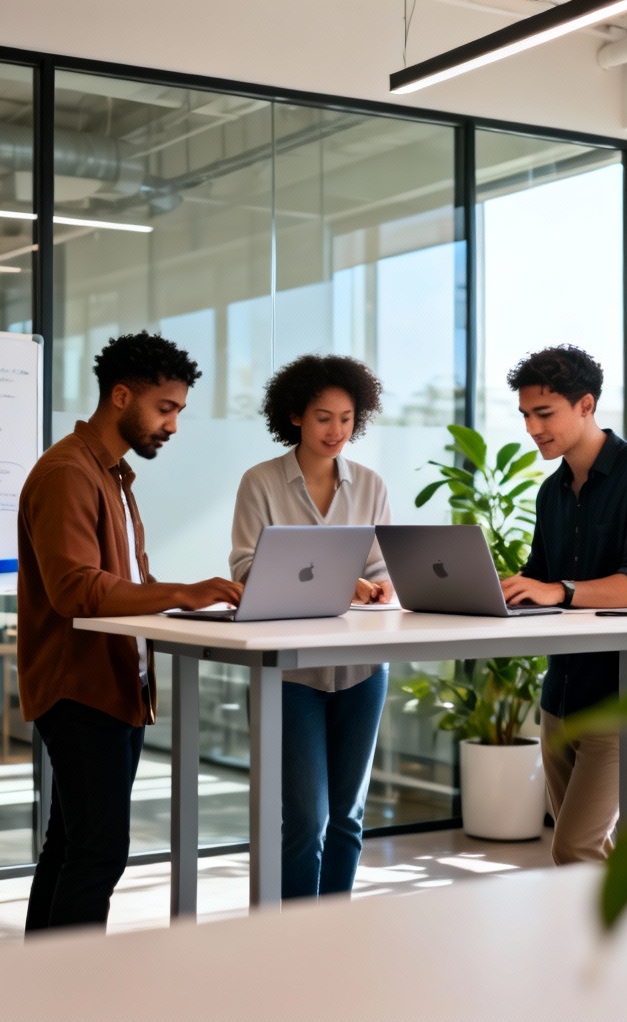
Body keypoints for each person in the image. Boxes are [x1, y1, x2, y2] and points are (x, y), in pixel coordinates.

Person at [18, 330, 243, 932]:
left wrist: (193, 602)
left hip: (117, 684)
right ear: (121, 396)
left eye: (178, 411)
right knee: (98, 853)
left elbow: (127, 580)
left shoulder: (112, 475)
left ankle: (41, 985)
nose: (172, 425)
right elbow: (76, 589)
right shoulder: (68, 472)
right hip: (80, 687)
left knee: (70, 847)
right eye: (165, 408)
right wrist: (181, 592)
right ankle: (74, 993)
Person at [499, 344, 627, 865]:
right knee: (586, 853)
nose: (533, 429)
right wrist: (499, 587)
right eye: (525, 416)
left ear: (586, 405)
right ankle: (612, 944)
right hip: (562, 693)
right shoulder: (551, 492)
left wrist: (560, 590)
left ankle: (626, 945)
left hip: (624, 694)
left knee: (575, 847)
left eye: (544, 414)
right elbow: (539, 577)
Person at [230, 353, 393, 899]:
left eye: (347, 419)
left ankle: (334, 936)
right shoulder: (262, 482)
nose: (336, 431)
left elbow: (382, 569)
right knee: (305, 820)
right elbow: (247, 569)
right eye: (324, 417)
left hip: (360, 669)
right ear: (296, 416)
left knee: (347, 816)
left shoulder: (370, 484)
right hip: (290, 673)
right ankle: (291, 945)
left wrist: (379, 586)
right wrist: (340, 580)